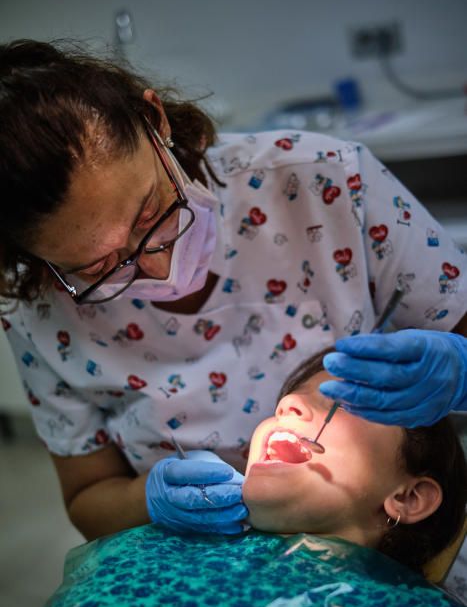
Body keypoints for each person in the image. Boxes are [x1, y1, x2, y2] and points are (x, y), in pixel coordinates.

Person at [1, 39, 466, 541]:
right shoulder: (37, 309)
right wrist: (146, 501)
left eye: (152, 212)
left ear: (154, 122)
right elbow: (87, 500)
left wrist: (462, 370)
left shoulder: (324, 181)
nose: (155, 266)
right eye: (98, 266)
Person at [242, 347, 467, 573]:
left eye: (344, 404)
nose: (288, 403)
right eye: (286, 399)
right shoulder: (209, 541)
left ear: (408, 498)